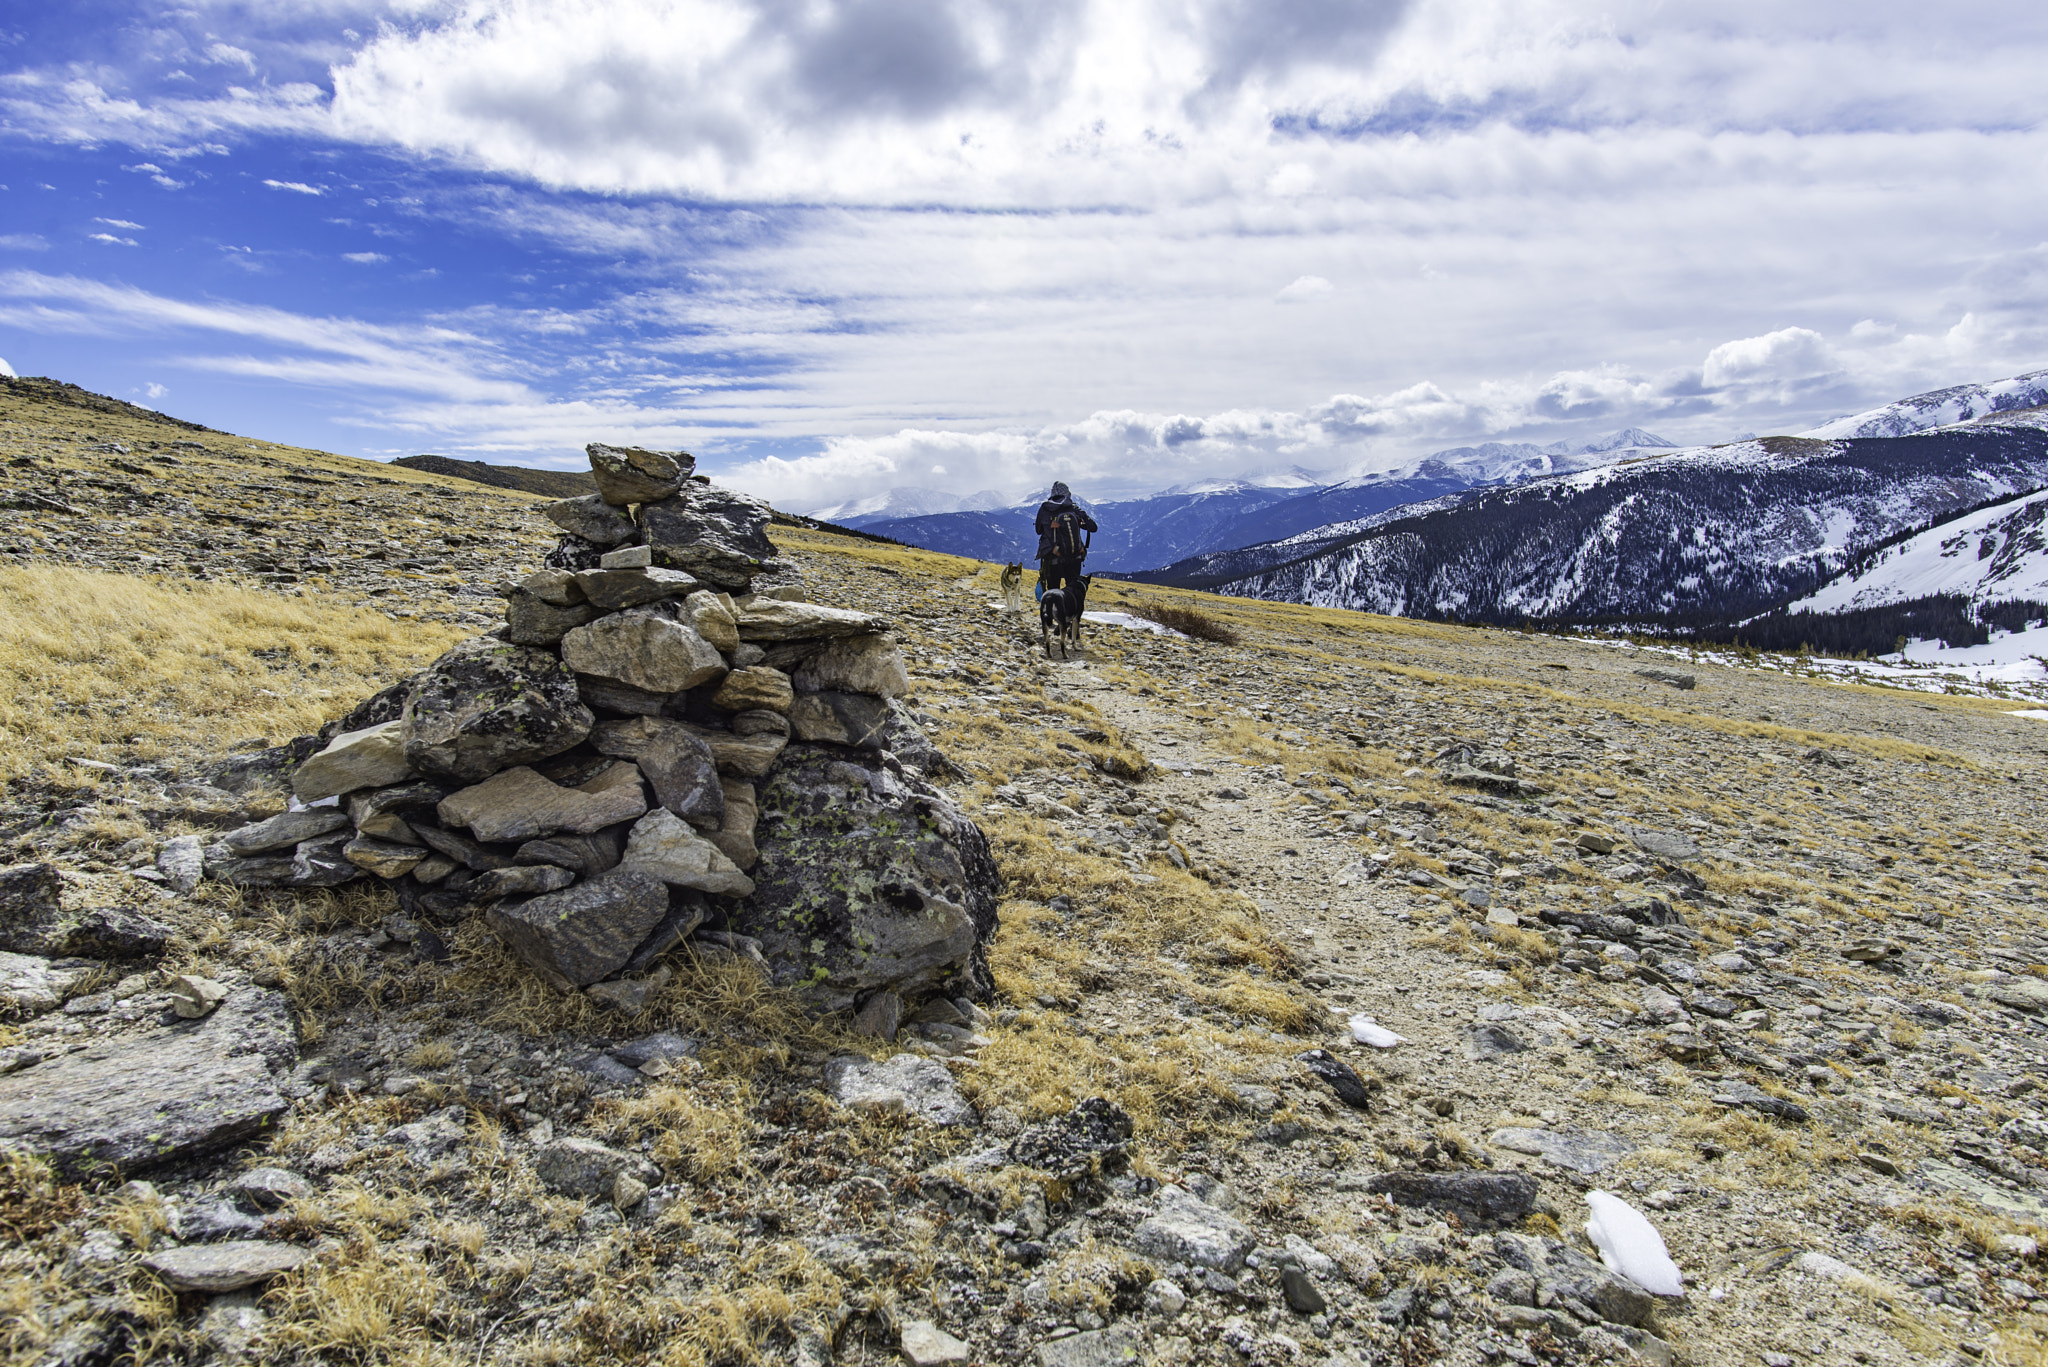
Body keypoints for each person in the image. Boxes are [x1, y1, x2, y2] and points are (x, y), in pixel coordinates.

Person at [1034, 481, 1097, 598]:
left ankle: (1053, 613)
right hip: (1075, 556)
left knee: (1053, 591)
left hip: (1053, 555)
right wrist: (1080, 523)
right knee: (1072, 590)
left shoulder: (1045, 508)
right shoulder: (1073, 508)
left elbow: (1038, 530)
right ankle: (1071, 614)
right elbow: (1093, 527)